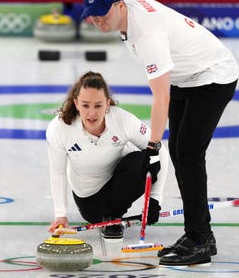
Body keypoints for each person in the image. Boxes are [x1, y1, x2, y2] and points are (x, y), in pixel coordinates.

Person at [80, 0, 239, 266]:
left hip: (212, 76)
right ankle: (198, 233)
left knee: (188, 155)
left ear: (119, 5)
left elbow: (160, 97)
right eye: (93, 14)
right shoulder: (126, 9)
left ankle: (200, 240)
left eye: (103, 13)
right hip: (185, 76)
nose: (97, 20)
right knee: (179, 154)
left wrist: (152, 147)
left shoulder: (146, 35)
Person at [46, 71, 168, 240]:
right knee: (96, 213)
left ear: (107, 104)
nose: (91, 114)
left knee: (143, 159)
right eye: (85, 105)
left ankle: (114, 217)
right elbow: (58, 173)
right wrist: (60, 214)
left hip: (121, 181)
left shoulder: (123, 120)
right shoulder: (59, 129)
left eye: (98, 105)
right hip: (89, 198)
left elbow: (160, 150)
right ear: (76, 103)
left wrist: (155, 200)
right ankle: (108, 218)